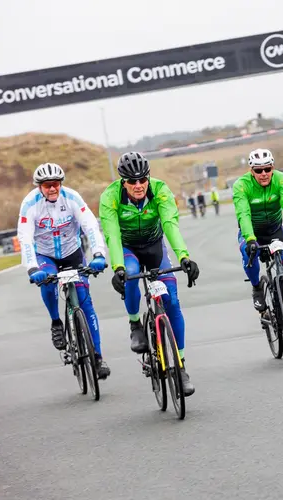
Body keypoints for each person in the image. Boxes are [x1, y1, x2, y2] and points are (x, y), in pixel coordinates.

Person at [99, 152, 200, 396]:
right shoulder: (110, 197)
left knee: (172, 301)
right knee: (132, 273)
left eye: (142, 179)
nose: (138, 185)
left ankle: (181, 366)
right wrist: (118, 268)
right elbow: (111, 234)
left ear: (148, 177)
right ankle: (135, 324)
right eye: (131, 181)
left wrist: (184, 257)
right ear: (123, 181)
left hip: (155, 246)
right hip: (128, 248)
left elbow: (170, 225)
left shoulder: (161, 190)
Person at [17, 163, 111, 378]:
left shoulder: (72, 198)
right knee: (47, 284)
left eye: (56, 184)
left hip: (72, 252)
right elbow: (25, 237)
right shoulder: (30, 204)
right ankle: (56, 322)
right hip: (44, 255)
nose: (52, 189)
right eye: (47, 185)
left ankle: (97, 357)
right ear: (39, 187)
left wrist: (98, 254)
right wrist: (32, 267)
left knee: (86, 303)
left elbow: (90, 225)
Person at [232, 148, 283, 313]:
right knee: (249, 256)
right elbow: (243, 214)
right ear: (251, 171)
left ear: (272, 168)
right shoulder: (241, 185)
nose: (264, 173)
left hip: (275, 230)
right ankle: (257, 288)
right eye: (258, 170)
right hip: (252, 233)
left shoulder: (280, 179)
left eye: (267, 169)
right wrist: (250, 239)